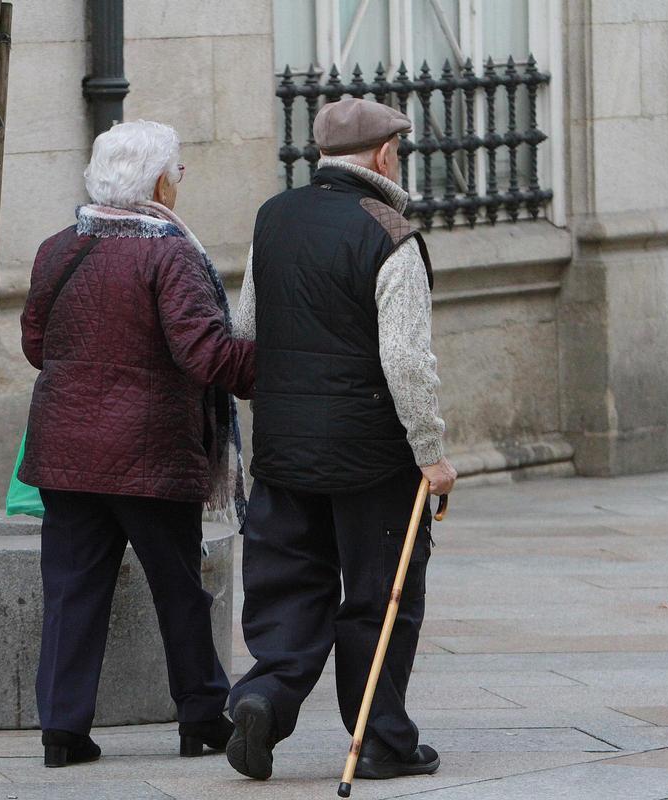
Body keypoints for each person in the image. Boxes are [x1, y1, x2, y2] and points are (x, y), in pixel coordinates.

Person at [225, 97, 457, 782]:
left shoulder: (275, 218)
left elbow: (247, 330)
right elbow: (408, 361)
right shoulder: (391, 233)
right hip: (372, 457)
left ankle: (265, 696)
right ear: (385, 155)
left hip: (285, 448)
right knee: (381, 596)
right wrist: (431, 452)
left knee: (290, 584)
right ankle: (381, 739)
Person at [19, 120, 254, 768]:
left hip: (66, 454)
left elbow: (37, 346)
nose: (179, 184)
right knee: (178, 587)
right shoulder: (169, 253)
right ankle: (202, 716)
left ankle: (62, 730)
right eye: (176, 172)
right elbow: (204, 352)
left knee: (70, 592)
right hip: (150, 452)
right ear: (155, 182)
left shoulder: (59, 247)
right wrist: (280, 365)